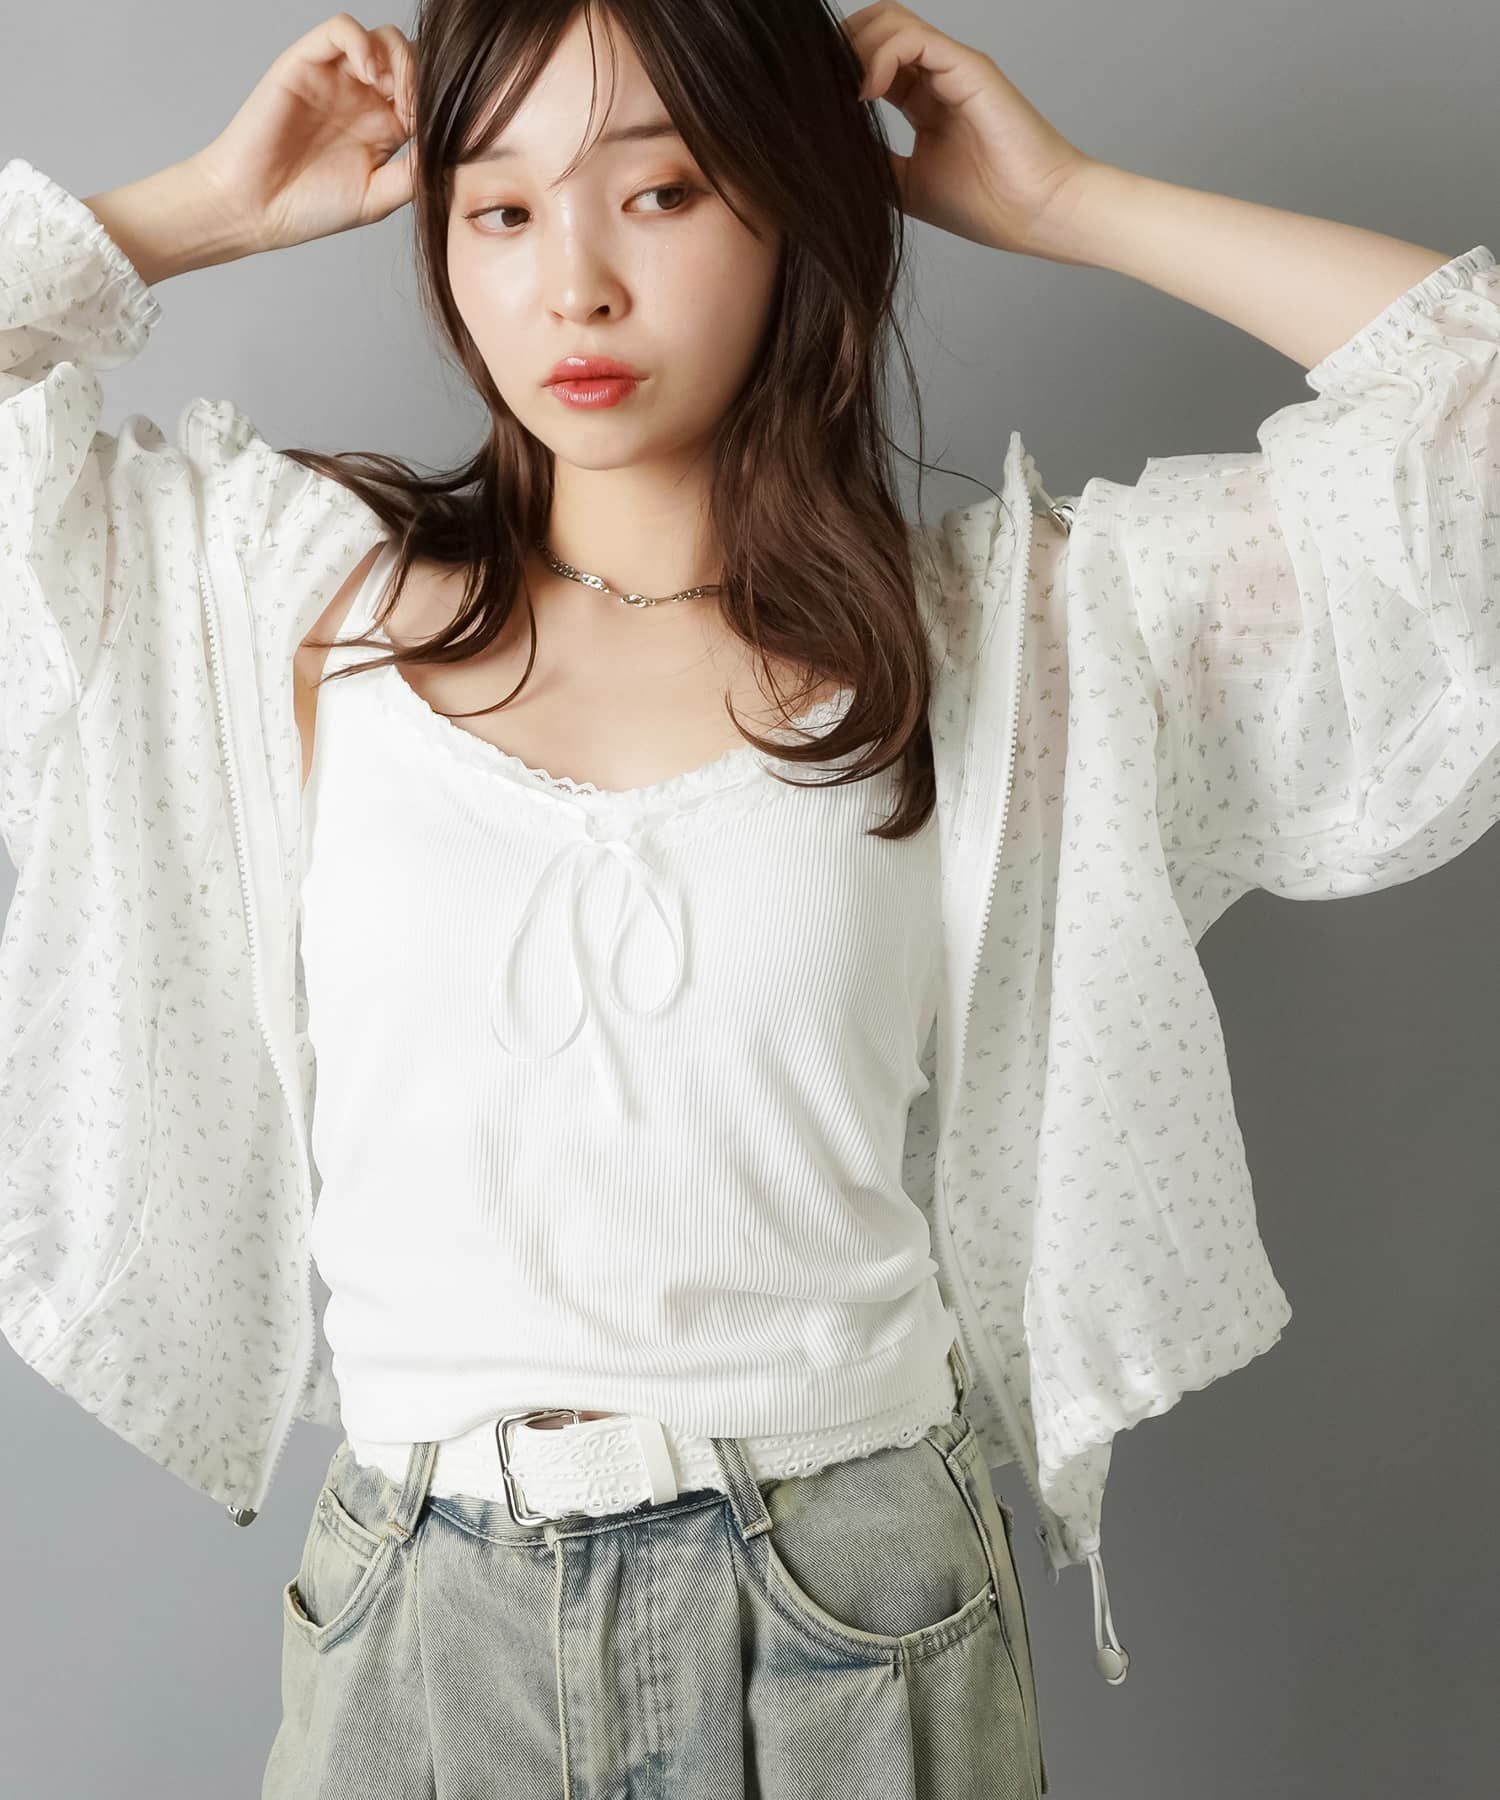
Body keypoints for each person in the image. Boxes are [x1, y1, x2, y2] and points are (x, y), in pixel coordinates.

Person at [1, 1, 1495, 1794]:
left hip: (850, 1609)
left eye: (664, 192)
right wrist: (198, 210)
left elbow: (1474, 445)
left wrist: (1069, 201)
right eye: (500, 210)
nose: (576, 287)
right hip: (418, 1616)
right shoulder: (287, 614)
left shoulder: (1005, 642)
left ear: (796, 209)